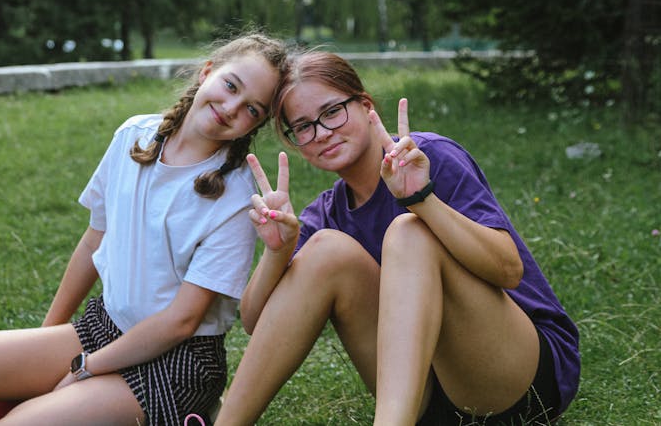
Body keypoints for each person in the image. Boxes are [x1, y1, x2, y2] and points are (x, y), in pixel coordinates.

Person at [0, 33, 288, 426]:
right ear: (208, 71)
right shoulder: (133, 136)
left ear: (258, 122)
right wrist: (44, 343)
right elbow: (95, 238)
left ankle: (184, 415)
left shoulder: (235, 198)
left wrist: (84, 367)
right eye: (231, 86)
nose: (231, 107)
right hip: (104, 327)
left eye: (251, 109)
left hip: (176, 362)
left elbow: (181, 321)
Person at [213, 51, 580, 425]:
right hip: (429, 400)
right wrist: (277, 252)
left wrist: (421, 201)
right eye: (304, 126)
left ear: (366, 107)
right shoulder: (327, 215)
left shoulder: (429, 155)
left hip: (515, 378)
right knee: (326, 249)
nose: (322, 133)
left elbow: (508, 269)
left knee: (409, 233)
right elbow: (256, 321)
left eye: (331, 112)